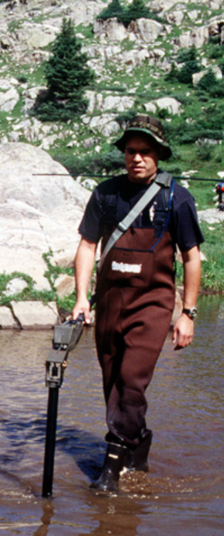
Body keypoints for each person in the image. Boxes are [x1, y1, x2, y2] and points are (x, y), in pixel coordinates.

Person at [72, 115, 204, 492]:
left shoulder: (176, 199)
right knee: (112, 383)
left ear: (159, 154)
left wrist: (187, 314)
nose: (137, 158)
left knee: (131, 381)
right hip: (111, 303)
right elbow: (86, 246)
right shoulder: (105, 194)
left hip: (153, 304)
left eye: (145, 152)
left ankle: (109, 473)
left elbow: (191, 257)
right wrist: (82, 298)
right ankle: (138, 442)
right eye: (131, 151)